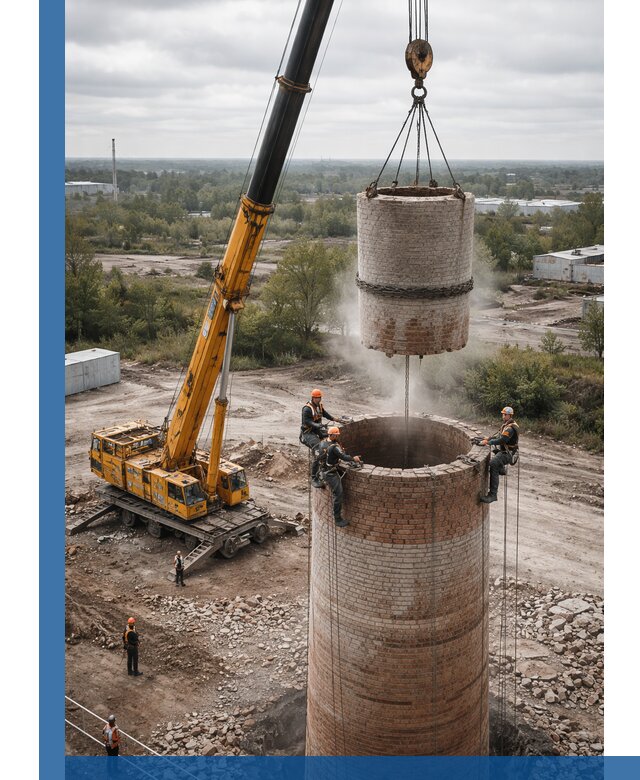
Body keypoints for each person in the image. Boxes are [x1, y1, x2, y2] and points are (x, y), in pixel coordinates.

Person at [315, 427, 362, 527]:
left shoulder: (323, 443)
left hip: (323, 470)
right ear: (332, 435)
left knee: (337, 490)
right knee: (339, 494)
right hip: (330, 473)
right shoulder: (334, 447)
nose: (337, 436)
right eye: (336, 435)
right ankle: (338, 519)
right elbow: (343, 457)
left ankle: (319, 479)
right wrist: (354, 459)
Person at [300, 389, 347, 488]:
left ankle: (332, 464)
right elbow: (307, 421)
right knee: (320, 451)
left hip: (317, 430)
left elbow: (325, 414)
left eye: (319, 398)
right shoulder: (307, 409)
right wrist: (318, 425)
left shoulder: (319, 406)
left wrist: (335, 419)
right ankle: (314, 478)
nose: (318, 400)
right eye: (317, 398)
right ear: (313, 398)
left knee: (333, 439)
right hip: (308, 433)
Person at [479, 406, 519, 503]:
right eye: (503, 414)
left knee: (493, 464)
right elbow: (498, 435)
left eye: (504, 414)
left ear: (509, 415)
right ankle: (501, 469)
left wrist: (489, 443)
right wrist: (487, 439)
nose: (502, 416)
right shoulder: (506, 424)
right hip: (505, 451)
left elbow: (502, 440)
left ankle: (493, 495)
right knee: (495, 452)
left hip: (508, 454)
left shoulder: (510, 428)